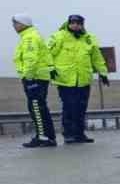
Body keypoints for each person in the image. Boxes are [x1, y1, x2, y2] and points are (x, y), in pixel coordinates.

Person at [47, 13, 110, 145]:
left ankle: (79, 134)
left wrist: (103, 73)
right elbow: (48, 54)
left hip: (83, 79)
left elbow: (97, 58)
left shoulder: (89, 39)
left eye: (78, 23)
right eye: (72, 23)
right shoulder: (59, 37)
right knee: (69, 107)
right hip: (65, 80)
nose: (75, 25)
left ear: (82, 25)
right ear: (68, 23)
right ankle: (69, 134)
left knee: (81, 108)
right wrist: (50, 69)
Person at [11, 14, 56, 148]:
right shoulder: (29, 35)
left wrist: (29, 77)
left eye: (16, 23)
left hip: (34, 77)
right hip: (38, 77)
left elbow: (31, 59)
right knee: (38, 107)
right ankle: (45, 136)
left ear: (23, 24)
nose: (14, 26)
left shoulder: (30, 37)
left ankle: (44, 137)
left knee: (36, 108)